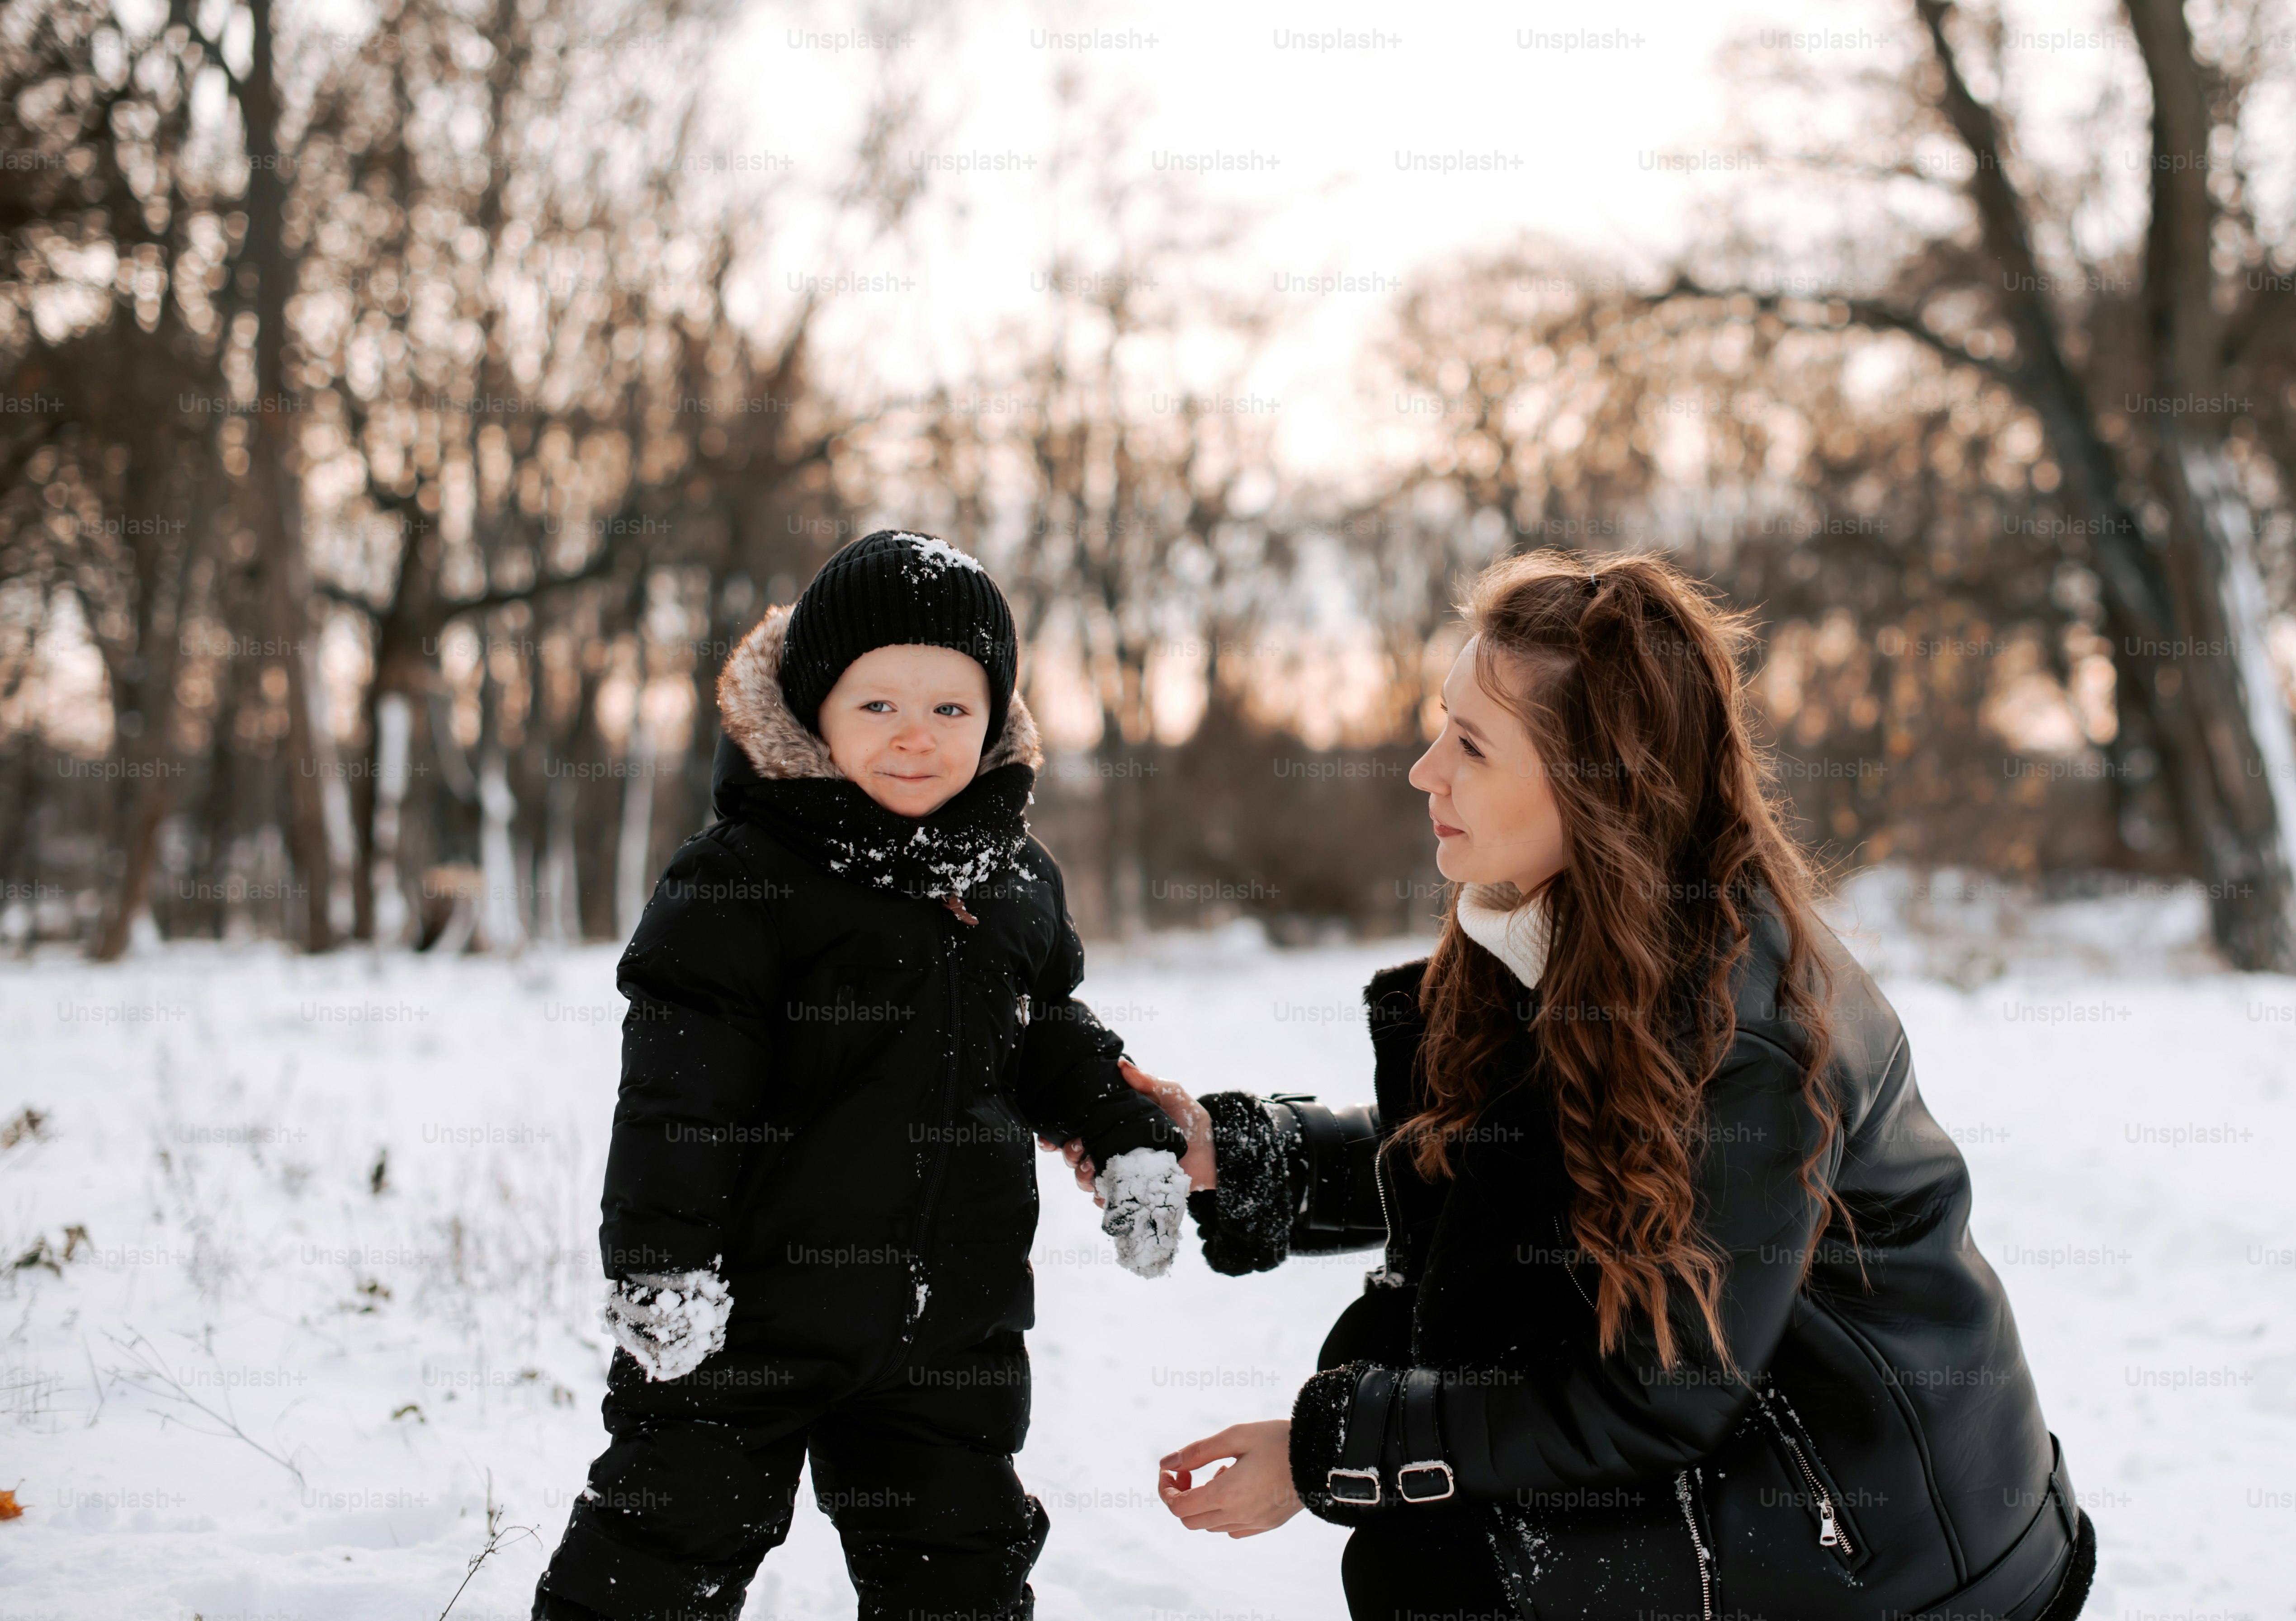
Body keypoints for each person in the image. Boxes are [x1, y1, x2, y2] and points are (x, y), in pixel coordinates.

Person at [1061, 549, 2095, 1620]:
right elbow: (1487, 1159)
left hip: (1886, 1535)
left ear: (1594, 784)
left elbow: (1657, 1397)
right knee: (1429, 1530)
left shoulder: (1741, 1032)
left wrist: (1326, 1449)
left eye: (1469, 744)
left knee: (1441, 1562)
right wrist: (1226, 1150)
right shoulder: (1552, 926)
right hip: (1758, 1435)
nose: (1424, 771)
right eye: (1439, 725)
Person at [534, 530, 1192, 1621]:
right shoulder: (740, 882)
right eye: (877, 704)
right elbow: (677, 1096)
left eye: (950, 708)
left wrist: (1127, 1135)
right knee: (662, 1542)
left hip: (950, 1328)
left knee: (962, 1568)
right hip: (745, 1322)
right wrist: (660, 1267)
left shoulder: (1012, 875)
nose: (916, 737)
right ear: (813, 710)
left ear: (992, 719)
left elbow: (1046, 1031)